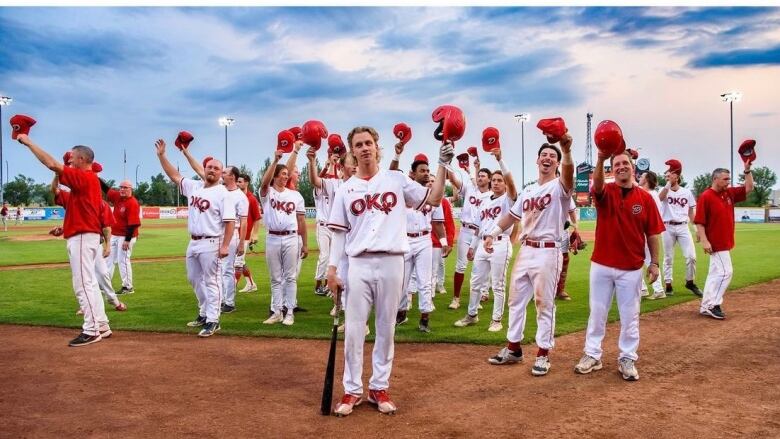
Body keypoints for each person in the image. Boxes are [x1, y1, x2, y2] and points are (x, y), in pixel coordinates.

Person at [327, 126, 449, 417]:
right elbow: (339, 234)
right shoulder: (345, 189)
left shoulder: (395, 179)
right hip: (358, 263)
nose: (365, 148)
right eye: (359, 144)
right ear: (352, 151)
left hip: (393, 260)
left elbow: (432, 199)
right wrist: (332, 269)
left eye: (369, 142)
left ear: (377, 146)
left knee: (386, 327)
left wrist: (443, 164)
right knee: (355, 329)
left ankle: (379, 387)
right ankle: (352, 389)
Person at [484, 136, 574, 376]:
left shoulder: (560, 187)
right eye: (544, 155)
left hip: (548, 250)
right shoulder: (528, 191)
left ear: (557, 163)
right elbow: (511, 217)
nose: (547, 158)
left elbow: (568, 172)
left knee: (544, 303)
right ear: (537, 160)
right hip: (526, 250)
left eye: (552, 157)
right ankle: (514, 348)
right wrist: (492, 233)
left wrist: (565, 150)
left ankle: (543, 353)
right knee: (516, 301)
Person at [574, 150, 664, 381]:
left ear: (633, 168)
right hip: (602, 264)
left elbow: (653, 234)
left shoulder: (645, 198)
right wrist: (602, 158)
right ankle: (592, 354)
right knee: (597, 313)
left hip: (631, 267)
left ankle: (627, 357)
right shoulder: (606, 191)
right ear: (612, 169)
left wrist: (654, 263)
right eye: (617, 164)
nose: (621, 167)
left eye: (625, 163)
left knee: (630, 316)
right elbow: (597, 186)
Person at [17, 133, 110, 347]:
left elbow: (51, 164)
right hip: (85, 235)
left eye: (73, 158)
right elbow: (71, 202)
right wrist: (64, 228)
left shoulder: (85, 177)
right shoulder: (86, 182)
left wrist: (29, 142)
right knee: (91, 284)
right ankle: (102, 325)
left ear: (83, 160)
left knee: (82, 284)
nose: (69, 160)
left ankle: (91, 329)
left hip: (82, 238)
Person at [155, 139, 236, 337]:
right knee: (194, 279)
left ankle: (213, 320)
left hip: (212, 241)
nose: (212, 170)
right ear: (204, 168)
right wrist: (162, 156)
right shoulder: (194, 187)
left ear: (220, 173)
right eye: (210, 167)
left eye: (217, 169)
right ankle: (203, 313)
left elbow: (230, 222)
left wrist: (225, 245)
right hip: (193, 242)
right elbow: (174, 175)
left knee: (212, 281)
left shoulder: (223, 193)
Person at [454, 149, 518, 332]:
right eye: (495, 180)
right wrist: (473, 247)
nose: (497, 182)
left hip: (500, 242)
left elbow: (512, 185)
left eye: (500, 180)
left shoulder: (508, 199)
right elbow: (478, 227)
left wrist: (500, 160)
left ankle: (496, 320)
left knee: (498, 284)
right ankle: (471, 315)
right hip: (483, 243)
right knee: (475, 282)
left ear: (505, 184)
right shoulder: (483, 200)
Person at [390, 152, 448, 333]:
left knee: (425, 281)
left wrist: (444, 241)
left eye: (428, 170)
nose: (425, 173)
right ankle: (401, 312)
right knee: (402, 280)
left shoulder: (432, 195)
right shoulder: (402, 192)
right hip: (405, 239)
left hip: (424, 239)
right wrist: (397, 154)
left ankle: (424, 318)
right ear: (412, 174)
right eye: (422, 170)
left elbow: (438, 223)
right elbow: (390, 176)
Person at [695, 162, 753, 319]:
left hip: (725, 240)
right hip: (716, 242)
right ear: (715, 179)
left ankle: (706, 304)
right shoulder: (706, 196)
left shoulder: (729, 193)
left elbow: (749, 188)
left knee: (714, 274)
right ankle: (712, 305)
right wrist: (705, 241)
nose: (728, 182)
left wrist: (747, 171)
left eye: (729, 179)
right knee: (727, 272)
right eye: (725, 179)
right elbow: (699, 221)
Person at [260, 150, 307, 326]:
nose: (286, 177)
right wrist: (275, 161)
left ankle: (289, 312)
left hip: (291, 238)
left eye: (287, 174)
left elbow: (301, 221)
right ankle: (277, 311)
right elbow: (264, 182)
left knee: (290, 277)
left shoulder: (295, 195)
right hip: (272, 237)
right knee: (275, 278)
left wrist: (305, 244)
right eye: (283, 174)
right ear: (275, 176)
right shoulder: (268, 193)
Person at [446, 156, 493, 309]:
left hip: (480, 234)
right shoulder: (469, 189)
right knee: (460, 266)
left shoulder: (491, 196)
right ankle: (456, 299)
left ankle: (477, 298)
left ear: (489, 179)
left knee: (479, 268)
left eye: (483, 176)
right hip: (466, 231)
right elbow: (452, 178)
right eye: (478, 176)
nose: (479, 178)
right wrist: (448, 163)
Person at [658, 162, 702, 296]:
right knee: (668, 257)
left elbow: (690, 212)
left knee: (691, 257)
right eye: (667, 174)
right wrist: (668, 183)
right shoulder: (664, 189)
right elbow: (661, 197)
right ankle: (668, 285)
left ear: (676, 176)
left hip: (683, 226)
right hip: (667, 226)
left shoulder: (686, 192)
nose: (667, 175)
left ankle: (690, 282)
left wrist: (696, 229)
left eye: (670, 174)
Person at [102, 180, 141, 295]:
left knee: (122, 260)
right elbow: (106, 189)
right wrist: (93, 174)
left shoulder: (132, 203)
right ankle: (105, 284)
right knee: (108, 259)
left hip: (126, 236)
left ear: (131, 189)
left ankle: (128, 287)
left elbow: (133, 224)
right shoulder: (118, 196)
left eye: (125, 187)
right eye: (121, 187)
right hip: (115, 234)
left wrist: (127, 240)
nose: (122, 189)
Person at [311, 149, 341, 296]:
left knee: (333, 257)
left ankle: (328, 283)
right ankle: (318, 284)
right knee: (324, 256)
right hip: (322, 226)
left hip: (333, 227)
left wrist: (335, 165)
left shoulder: (336, 189)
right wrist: (326, 166)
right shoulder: (318, 193)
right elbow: (317, 180)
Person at [639, 171, 666, 299]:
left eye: (642, 176)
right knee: (639, 260)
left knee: (650, 261)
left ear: (647, 180)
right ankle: (643, 289)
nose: (640, 178)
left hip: (647, 232)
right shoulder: (649, 193)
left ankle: (659, 290)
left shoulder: (651, 194)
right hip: (644, 232)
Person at [235, 173, 261, 293]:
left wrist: (255, 235)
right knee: (240, 261)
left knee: (237, 263)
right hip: (234, 236)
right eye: (237, 181)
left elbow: (257, 218)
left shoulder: (251, 199)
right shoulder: (235, 197)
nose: (237, 183)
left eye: (240, 182)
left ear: (246, 183)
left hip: (244, 236)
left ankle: (230, 290)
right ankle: (251, 284)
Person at [431, 175, 456, 296]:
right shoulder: (419, 197)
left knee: (440, 263)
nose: (430, 183)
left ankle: (439, 284)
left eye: (433, 181)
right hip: (424, 239)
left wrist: (449, 242)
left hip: (439, 239)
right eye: (429, 181)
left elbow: (449, 223)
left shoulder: (444, 201)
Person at [555, 197, 578, 301]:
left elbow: (572, 211)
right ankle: (541, 289)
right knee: (545, 260)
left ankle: (560, 290)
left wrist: (576, 229)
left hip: (563, 231)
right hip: (546, 231)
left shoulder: (565, 193)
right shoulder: (542, 191)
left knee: (564, 259)